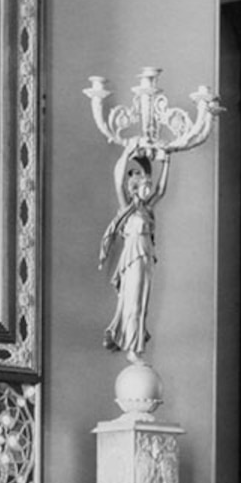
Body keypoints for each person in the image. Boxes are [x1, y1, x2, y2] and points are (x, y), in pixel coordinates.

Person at [97, 147, 162, 361]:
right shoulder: (128, 208)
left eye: (149, 185)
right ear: (135, 188)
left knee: (142, 303)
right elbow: (118, 181)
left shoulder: (147, 210)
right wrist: (126, 153)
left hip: (146, 256)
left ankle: (138, 345)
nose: (149, 189)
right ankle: (132, 348)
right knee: (132, 302)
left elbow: (161, 191)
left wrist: (167, 162)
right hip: (132, 257)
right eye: (145, 186)